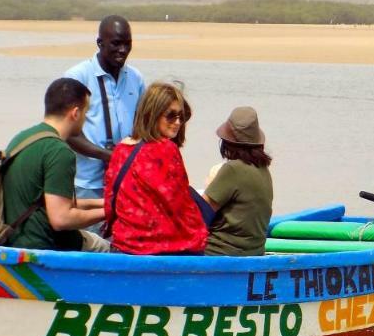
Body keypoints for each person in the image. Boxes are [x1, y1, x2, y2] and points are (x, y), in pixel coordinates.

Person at [3, 78, 109, 252]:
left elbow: (51, 201)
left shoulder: (22, 138)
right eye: (85, 112)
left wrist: (103, 204)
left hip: (11, 237)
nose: (85, 119)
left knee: (94, 237)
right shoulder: (60, 151)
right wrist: (111, 213)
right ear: (75, 113)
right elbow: (61, 219)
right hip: (41, 242)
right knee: (106, 247)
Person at [104, 81, 208, 255]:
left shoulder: (120, 150)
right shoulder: (166, 149)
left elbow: (110, 203)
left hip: (124, 245)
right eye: (171, 116)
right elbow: (181, 206)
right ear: (153, 115)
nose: (177, 122)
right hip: (164, 249)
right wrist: (202, 235)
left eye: (181, 117)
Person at [64, 15, 145, 204]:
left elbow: (143, 125)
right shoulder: (78, 77)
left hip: (125, 180)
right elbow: (67, 132)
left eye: (128, 44)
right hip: (88, 185)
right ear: (100, 43)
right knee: (89, 235)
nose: (123, 50)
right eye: (116, 44)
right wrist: (107, 155)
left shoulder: (135, 78)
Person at [202, 107, 274, 257]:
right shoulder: (263, 170)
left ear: (227, 142)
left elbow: (201, 212)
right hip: (254, 252)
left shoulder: (233, 169)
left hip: (220, 251)